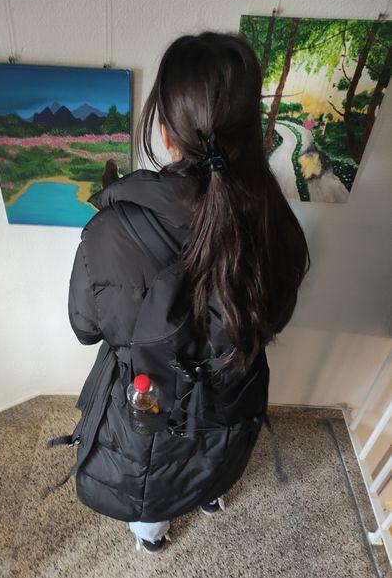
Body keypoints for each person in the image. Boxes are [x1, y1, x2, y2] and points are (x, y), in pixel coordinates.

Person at [68, 30, 311, 553]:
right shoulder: (275, 222)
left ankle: (153, 536)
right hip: (233, 399)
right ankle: (212, 494)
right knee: (215, 456)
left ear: (165, 129)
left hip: (150, 405)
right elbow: (275, 315)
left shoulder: (110, 231)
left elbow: (86, 328)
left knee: (153, 478)